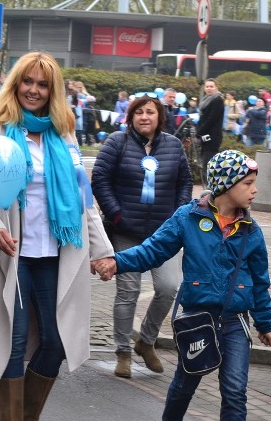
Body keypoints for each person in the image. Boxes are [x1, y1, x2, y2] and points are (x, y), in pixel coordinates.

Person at [0, 51, 114, 420]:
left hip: (56, 254)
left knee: (57, 340)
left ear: (53, 91)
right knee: (10, 344)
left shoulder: (64, 136)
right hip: (11, 254)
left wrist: (102, 250)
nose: (34, 90)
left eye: (42, 84)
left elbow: (82, 199)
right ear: (16, 84)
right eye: (27, 82)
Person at [94, 150, 271, 421]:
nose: (254, 190)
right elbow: (152, 250)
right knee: (184, 386)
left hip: (235, 323)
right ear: (226, 185)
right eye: (247, 183)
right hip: (197, 320)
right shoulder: (188, 218)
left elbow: (260, 283)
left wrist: (265, 324)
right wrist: (116, 263)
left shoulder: (251, 230)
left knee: (235, 391)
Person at [91, 94, 192, 378]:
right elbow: (100, 179)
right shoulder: (117, 143)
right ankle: (122, 351)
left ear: (160, 116)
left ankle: (146, 341)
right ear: (131, 116)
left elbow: (185, 182)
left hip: (164, 235)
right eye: (138, 112)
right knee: (129, 291)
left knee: (169, 287)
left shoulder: (173, 146)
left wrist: (178, 214)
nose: (144, 117)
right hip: (125, 232)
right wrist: (117, 213)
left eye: (150, 112)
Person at [195, 78, 224, 168]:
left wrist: (199, 133)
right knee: (205, 163)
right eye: (207, 86)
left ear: (216, 88)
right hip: (205, 136)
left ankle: (209, 182)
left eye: (211, 86)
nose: (209, 88)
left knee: (208, 164)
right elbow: (203, 118)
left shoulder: (217, 100)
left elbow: (211, 119)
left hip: (212, 137)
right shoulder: (206, 100)